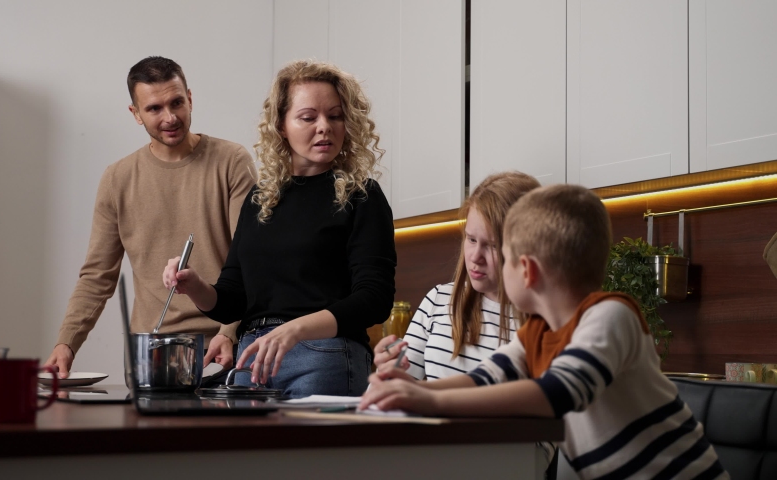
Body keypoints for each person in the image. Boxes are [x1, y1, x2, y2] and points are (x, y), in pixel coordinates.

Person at [362, 184, 727, 479]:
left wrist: (431, 401)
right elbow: (488, 377)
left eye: (500, 252)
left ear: (527, 271)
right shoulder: (537, 331)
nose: (478, 258)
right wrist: (413, 389)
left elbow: (558, 392)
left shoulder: (611, 316)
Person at [163, 60, 396, 398]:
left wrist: (296, 330)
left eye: (335, 116)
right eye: (308, 117)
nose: (324, 127)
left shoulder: (362, 196)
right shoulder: (260, 199)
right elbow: (233, 300)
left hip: (324, 355)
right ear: (281, 126)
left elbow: (374, 300)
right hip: (252, 358)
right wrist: (195, 285)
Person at [45, 56, 256, 378]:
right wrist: (66, 343)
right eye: (154, 108)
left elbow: (252, 258)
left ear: (190, 98)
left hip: (227, 347)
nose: (170, 117)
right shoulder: (118, 178)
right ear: (136, 114)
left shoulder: (231, 161)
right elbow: (97, 276)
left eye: (177, 103)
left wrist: (228, 332)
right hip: (153, 354)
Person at [373, 171, 540, 380]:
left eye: (493, 245)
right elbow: (395, 393)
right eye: (471, 239)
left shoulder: (546, 319)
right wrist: (387, 372)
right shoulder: (438, 300)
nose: (475, 257)